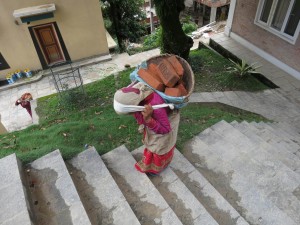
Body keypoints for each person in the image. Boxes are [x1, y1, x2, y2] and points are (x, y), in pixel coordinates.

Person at [114, 82, 180, 175]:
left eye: (130, 113)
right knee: (152, 146)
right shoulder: (136, 92)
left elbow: (166, 129)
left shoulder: (156, 107)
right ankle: (150, 164)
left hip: (162, 129)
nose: (131, 114)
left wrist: (149, 119)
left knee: (158, 148)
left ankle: (156, 169)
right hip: (155, 122)